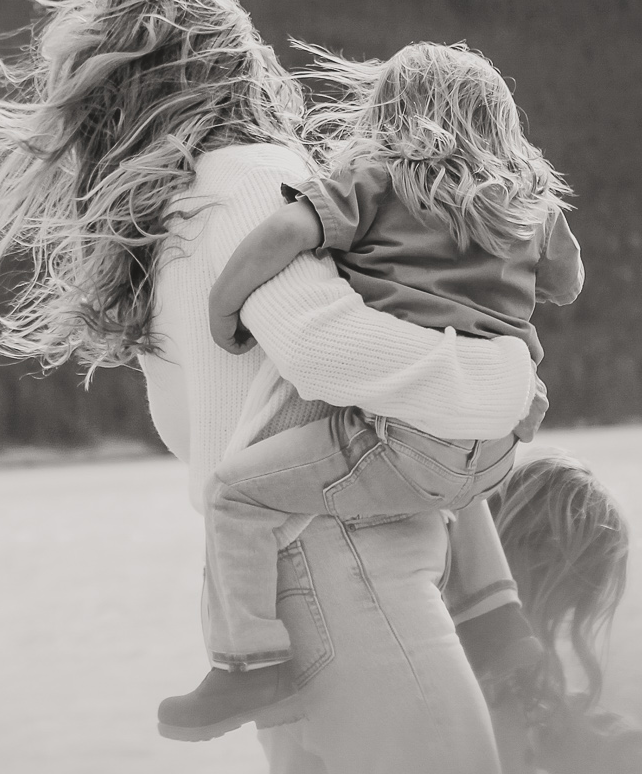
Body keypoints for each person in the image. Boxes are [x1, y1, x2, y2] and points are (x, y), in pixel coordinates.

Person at [0, 0, 546, 774]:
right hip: (358, 577)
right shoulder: (260, 183)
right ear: (221, 62)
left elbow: (222, 418)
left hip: (275, 606)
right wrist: (502, 379)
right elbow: (327, 350)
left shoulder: (173, 222)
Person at [170, 40, 583, 736]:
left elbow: (283, 232)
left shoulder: (377, 177)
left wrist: (224, 306)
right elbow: (568, 285)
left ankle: (249, 662)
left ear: (389, 110)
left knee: (236, 495)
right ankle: (495, 621)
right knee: (455, 458)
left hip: (408, 447)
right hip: (498, 444)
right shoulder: (530, 201)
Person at [486, 453, 642, 774]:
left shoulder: (519, 662)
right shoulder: (456, 652)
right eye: (569, 596)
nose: (561, 618)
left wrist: (618, 745)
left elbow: (553, 715)